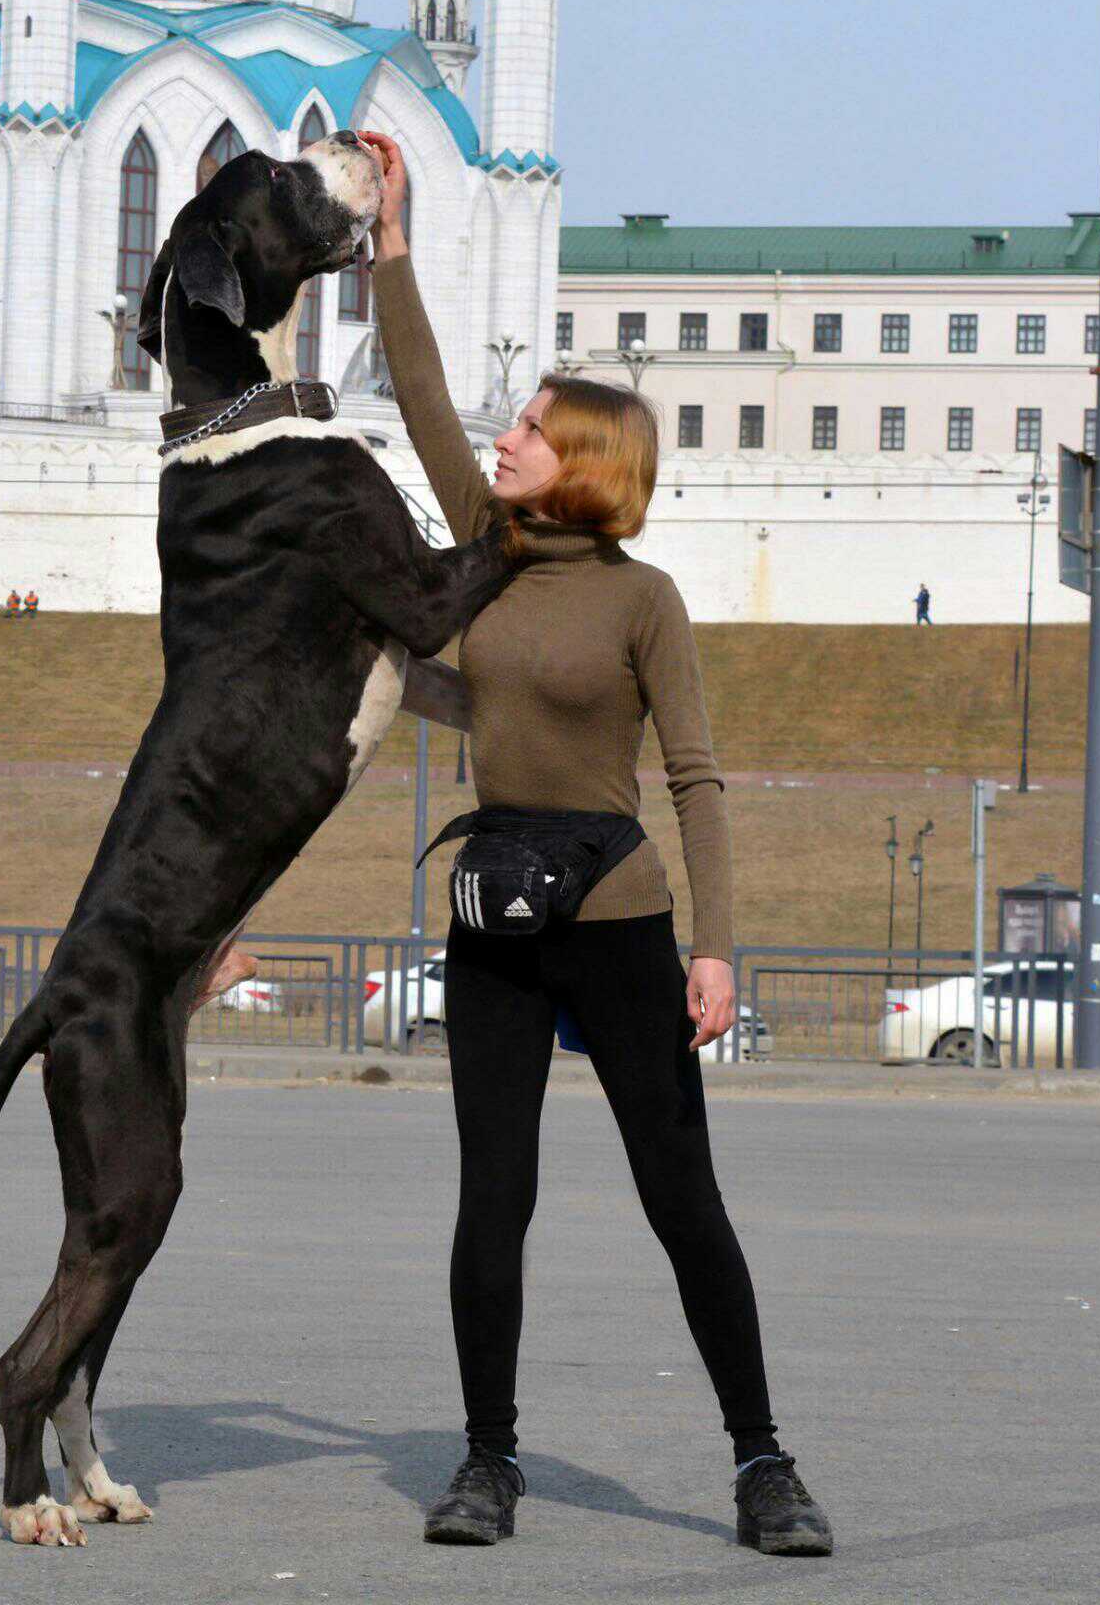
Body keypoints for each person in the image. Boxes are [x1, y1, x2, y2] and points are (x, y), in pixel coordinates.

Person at [359, 130, 832, 1560]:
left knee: (678, 1196)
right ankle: (484, 1462)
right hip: (494, 925)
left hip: (620, 921)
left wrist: (715, 946)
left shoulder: (644, 599)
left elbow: (693, 778)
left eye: (528, 428)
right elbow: (427, 395)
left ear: (577, 465)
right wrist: (387, 237)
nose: (500, 436)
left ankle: (763, 1466)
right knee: (489, 1199)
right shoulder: (479, 549)